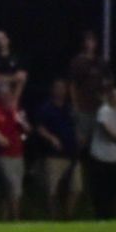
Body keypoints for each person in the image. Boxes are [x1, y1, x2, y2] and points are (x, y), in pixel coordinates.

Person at [34, 79, 80, 220]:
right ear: (53, 89)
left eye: (63, 88)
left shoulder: (69, 108)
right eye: (58, 87)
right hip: (54, 155)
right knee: (52, 189)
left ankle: (68, 216)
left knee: (76, 187)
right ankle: (53, 217)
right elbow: (39, 127)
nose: (61, 90)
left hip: (71, 154)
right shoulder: (46, 108)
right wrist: (51, 138)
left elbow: (76, 124)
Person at [0, 84, 29, 220]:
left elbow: (27, 130)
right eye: (4, 94)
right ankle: (16, 217)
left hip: (18, 154)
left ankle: (7, 218)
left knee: (16, 187)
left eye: (9, 95)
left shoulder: (16, 110)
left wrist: (20, 119)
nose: (7, 97)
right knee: (11, 184)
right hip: (2, 155)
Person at [89, 85, 116, 220]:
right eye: (113, 95)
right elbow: (108, 132)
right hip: (100, 156)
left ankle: (111, 216)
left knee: (113, 190)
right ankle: (99, 216)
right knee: (100, 190)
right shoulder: (104, 111)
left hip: (114, 158)